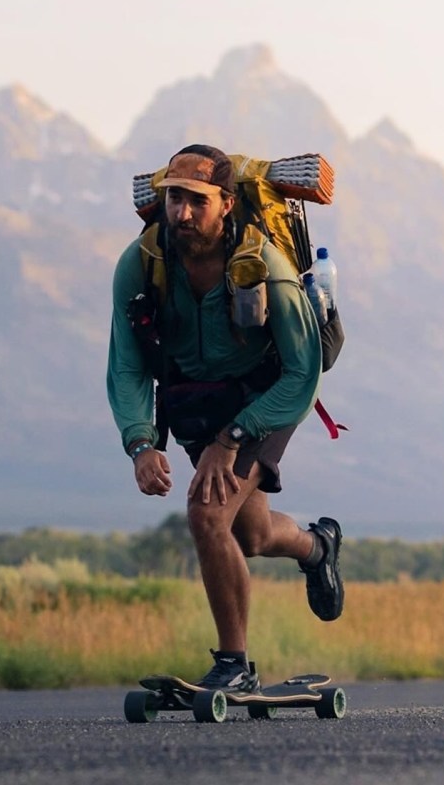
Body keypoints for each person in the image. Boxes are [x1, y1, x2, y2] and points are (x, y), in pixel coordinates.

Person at [106, 144, 344, 693]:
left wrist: (233, 437)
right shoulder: (141, 264)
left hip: (269, 396)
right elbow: (127, 362)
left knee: (206, 513)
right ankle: (318, 546)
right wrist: (140, 442)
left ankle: (234, 665)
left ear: (226, 204)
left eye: (196, 201)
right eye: (173, 199)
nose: (182, 213)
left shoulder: (268, 268)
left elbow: (303, 374)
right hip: (199, 399)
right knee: (251, 533)